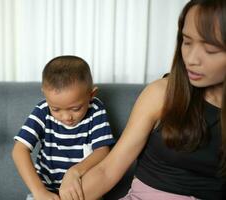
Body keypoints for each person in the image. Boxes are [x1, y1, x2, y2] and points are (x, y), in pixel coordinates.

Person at [59, 0, 226, 200]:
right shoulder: (161, 93)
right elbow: (107, 171)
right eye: (187, 42)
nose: (191, 59)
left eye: (210, 49)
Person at [12, 55, 115, 200]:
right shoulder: (42, 110)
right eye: (56, 109)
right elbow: (19, 150)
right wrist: (39, 192)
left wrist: (74, 172)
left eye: (75, 108)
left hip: (82, 191)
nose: (66, 117)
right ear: (46, 96)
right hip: (45, 192)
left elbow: (102, 151)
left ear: (91, 95)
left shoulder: (96, 110)